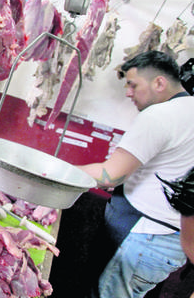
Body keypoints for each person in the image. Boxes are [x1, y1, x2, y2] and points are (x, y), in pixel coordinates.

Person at [78, 50, 194, 298]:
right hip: (169, 242)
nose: (128, 93)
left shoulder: (161, 115)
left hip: (142, 237)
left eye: (133, 85)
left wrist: (59, 172)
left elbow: (110, 176)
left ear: (159, 82)